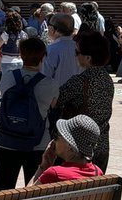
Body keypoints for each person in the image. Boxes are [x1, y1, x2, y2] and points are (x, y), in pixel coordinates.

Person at [0, 36, 59, 189]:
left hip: (7, 140)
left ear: (21, 54)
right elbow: (53, 106)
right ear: (43, 57)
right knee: (34, 191)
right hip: (37, 142)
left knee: (3, 188)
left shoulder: (8, 77)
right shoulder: (50, 84)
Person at [51, 30, 114, 174]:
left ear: (88, 58)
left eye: (77, 52)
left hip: (77, 148)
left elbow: (54, 102)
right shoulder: (107, 79)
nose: (75, 56)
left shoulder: (80, 81)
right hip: (101, 144)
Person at [35, 115, 104, 184]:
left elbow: (26, 194)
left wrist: (43, 167)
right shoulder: (97, 172)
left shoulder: (54, 174)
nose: (53, 140)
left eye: (56, 136)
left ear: (70, 146)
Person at [43, 14, 81, 88]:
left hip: (57, 94)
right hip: (77, 93)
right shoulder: (79, 47)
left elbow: (45, 75)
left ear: (54, 29)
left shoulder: (52, 49)